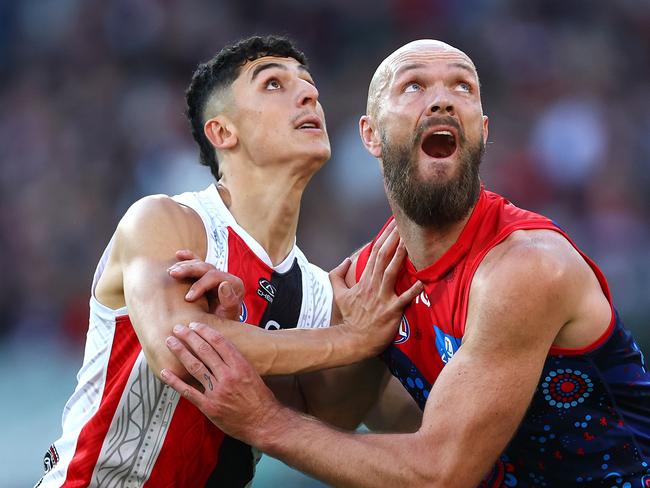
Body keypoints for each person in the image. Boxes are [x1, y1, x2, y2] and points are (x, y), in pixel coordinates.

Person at [160, 39, 650, 487]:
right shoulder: (370, 279)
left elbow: (441, 474)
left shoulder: (527, 268)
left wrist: (267, 423)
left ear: (482, 132)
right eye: (414, 85)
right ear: (371, 135)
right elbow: (320, 409)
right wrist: (233, 314)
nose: (442, 100)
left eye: (463, 86)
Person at [36, 35, 422, 488]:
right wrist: (349, 340)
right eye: (274, 84)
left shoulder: (318, 293)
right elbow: (179, 353)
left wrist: (378, 337)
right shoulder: (165, 221)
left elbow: (331, 417)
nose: (309, 94)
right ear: (223, 132)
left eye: (309, 84)